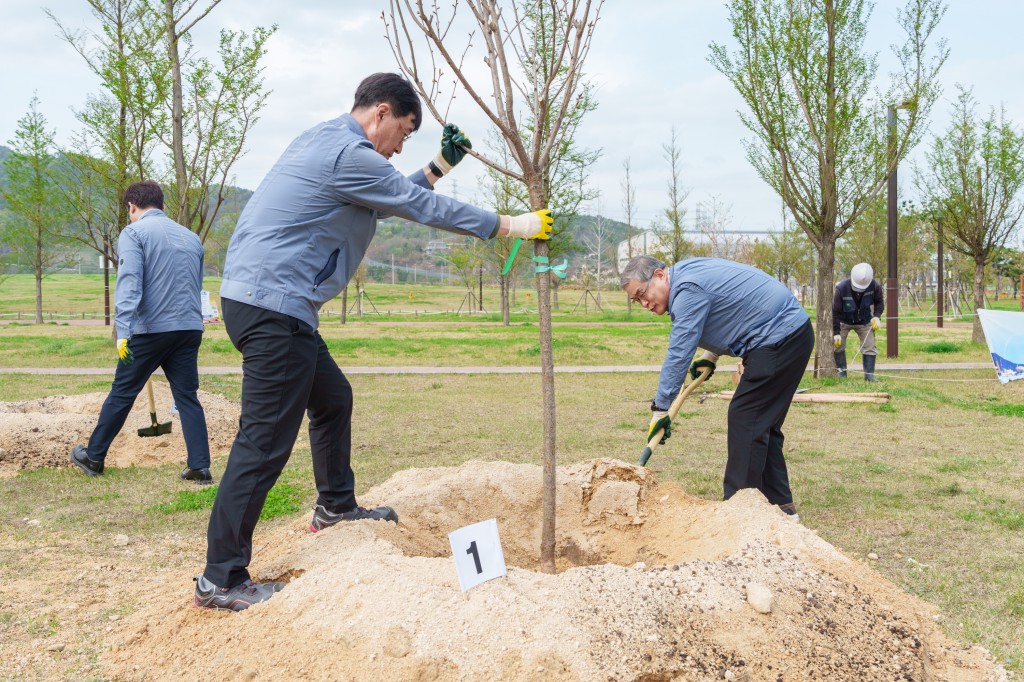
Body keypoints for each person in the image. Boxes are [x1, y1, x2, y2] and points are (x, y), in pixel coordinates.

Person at [194, 72, 553, 612]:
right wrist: (509, 225)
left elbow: (387, 198)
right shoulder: (350, 153)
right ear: (381, 113)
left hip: (271, 301)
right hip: (274, 306)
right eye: (404, 133)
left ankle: (335, 506)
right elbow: (415, 206)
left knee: (333, 398)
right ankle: (221, 578)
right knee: (263, 441)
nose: (401, 146)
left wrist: (438, 167)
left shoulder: (328, 142)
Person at [621, 255, 813, 520]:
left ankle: (739, 511)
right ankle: (781, 507)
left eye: (643, 293)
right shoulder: (688, 272)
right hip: (791, 332)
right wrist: (711, 355)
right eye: (636, 300)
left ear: (659, 275)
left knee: (746, 419)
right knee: (762, 425)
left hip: (778, 337)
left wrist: (661, 408)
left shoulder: (687, 291)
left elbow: (679, 351)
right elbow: (731, 305)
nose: (644, 303)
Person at [71, 180, 213, 484]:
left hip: (150, 331)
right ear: (162, 205)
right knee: (187, 397)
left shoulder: (133, 233)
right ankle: (200, 466)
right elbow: (196, 285)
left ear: (131, 207)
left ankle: (93, 457)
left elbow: (130, 281)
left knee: (122, 392)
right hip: (189, 328)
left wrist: (123, 330)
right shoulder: (191, 238)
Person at [832, 262, 884, 382]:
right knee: (838, 346)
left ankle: (869, 376)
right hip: (844, 321)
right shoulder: (841, 288)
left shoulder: (875, 286)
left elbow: (880, 302)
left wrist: (876, 317)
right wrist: (836, 333)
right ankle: (842, 374)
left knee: (870, 346)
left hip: (865, 321)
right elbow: (835, 312)